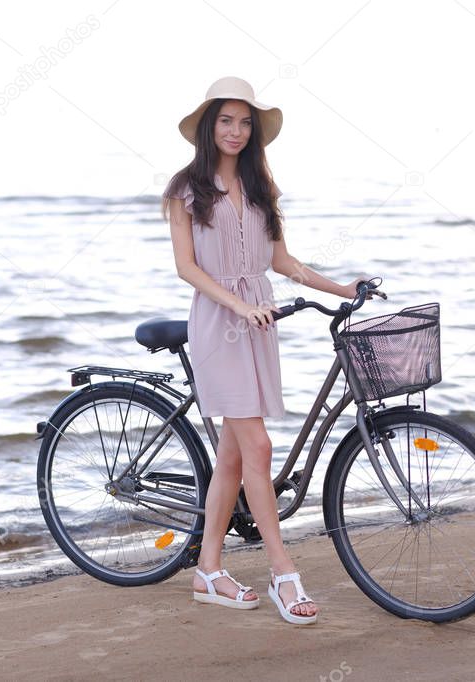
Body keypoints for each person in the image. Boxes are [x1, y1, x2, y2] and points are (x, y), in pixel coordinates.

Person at [162, 76, 369, 625]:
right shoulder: (186, 188)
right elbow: (187, 268)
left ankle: (208, 570)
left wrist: (341, 289)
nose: (236, 131)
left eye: (245, 122)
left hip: (259, 321)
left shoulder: (260, 186)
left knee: (233, 455)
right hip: (218, 323)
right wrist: (236, 304)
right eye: (226, 120)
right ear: (209, 126)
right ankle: (282, 572)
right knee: (258, 448)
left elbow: (283, 262)